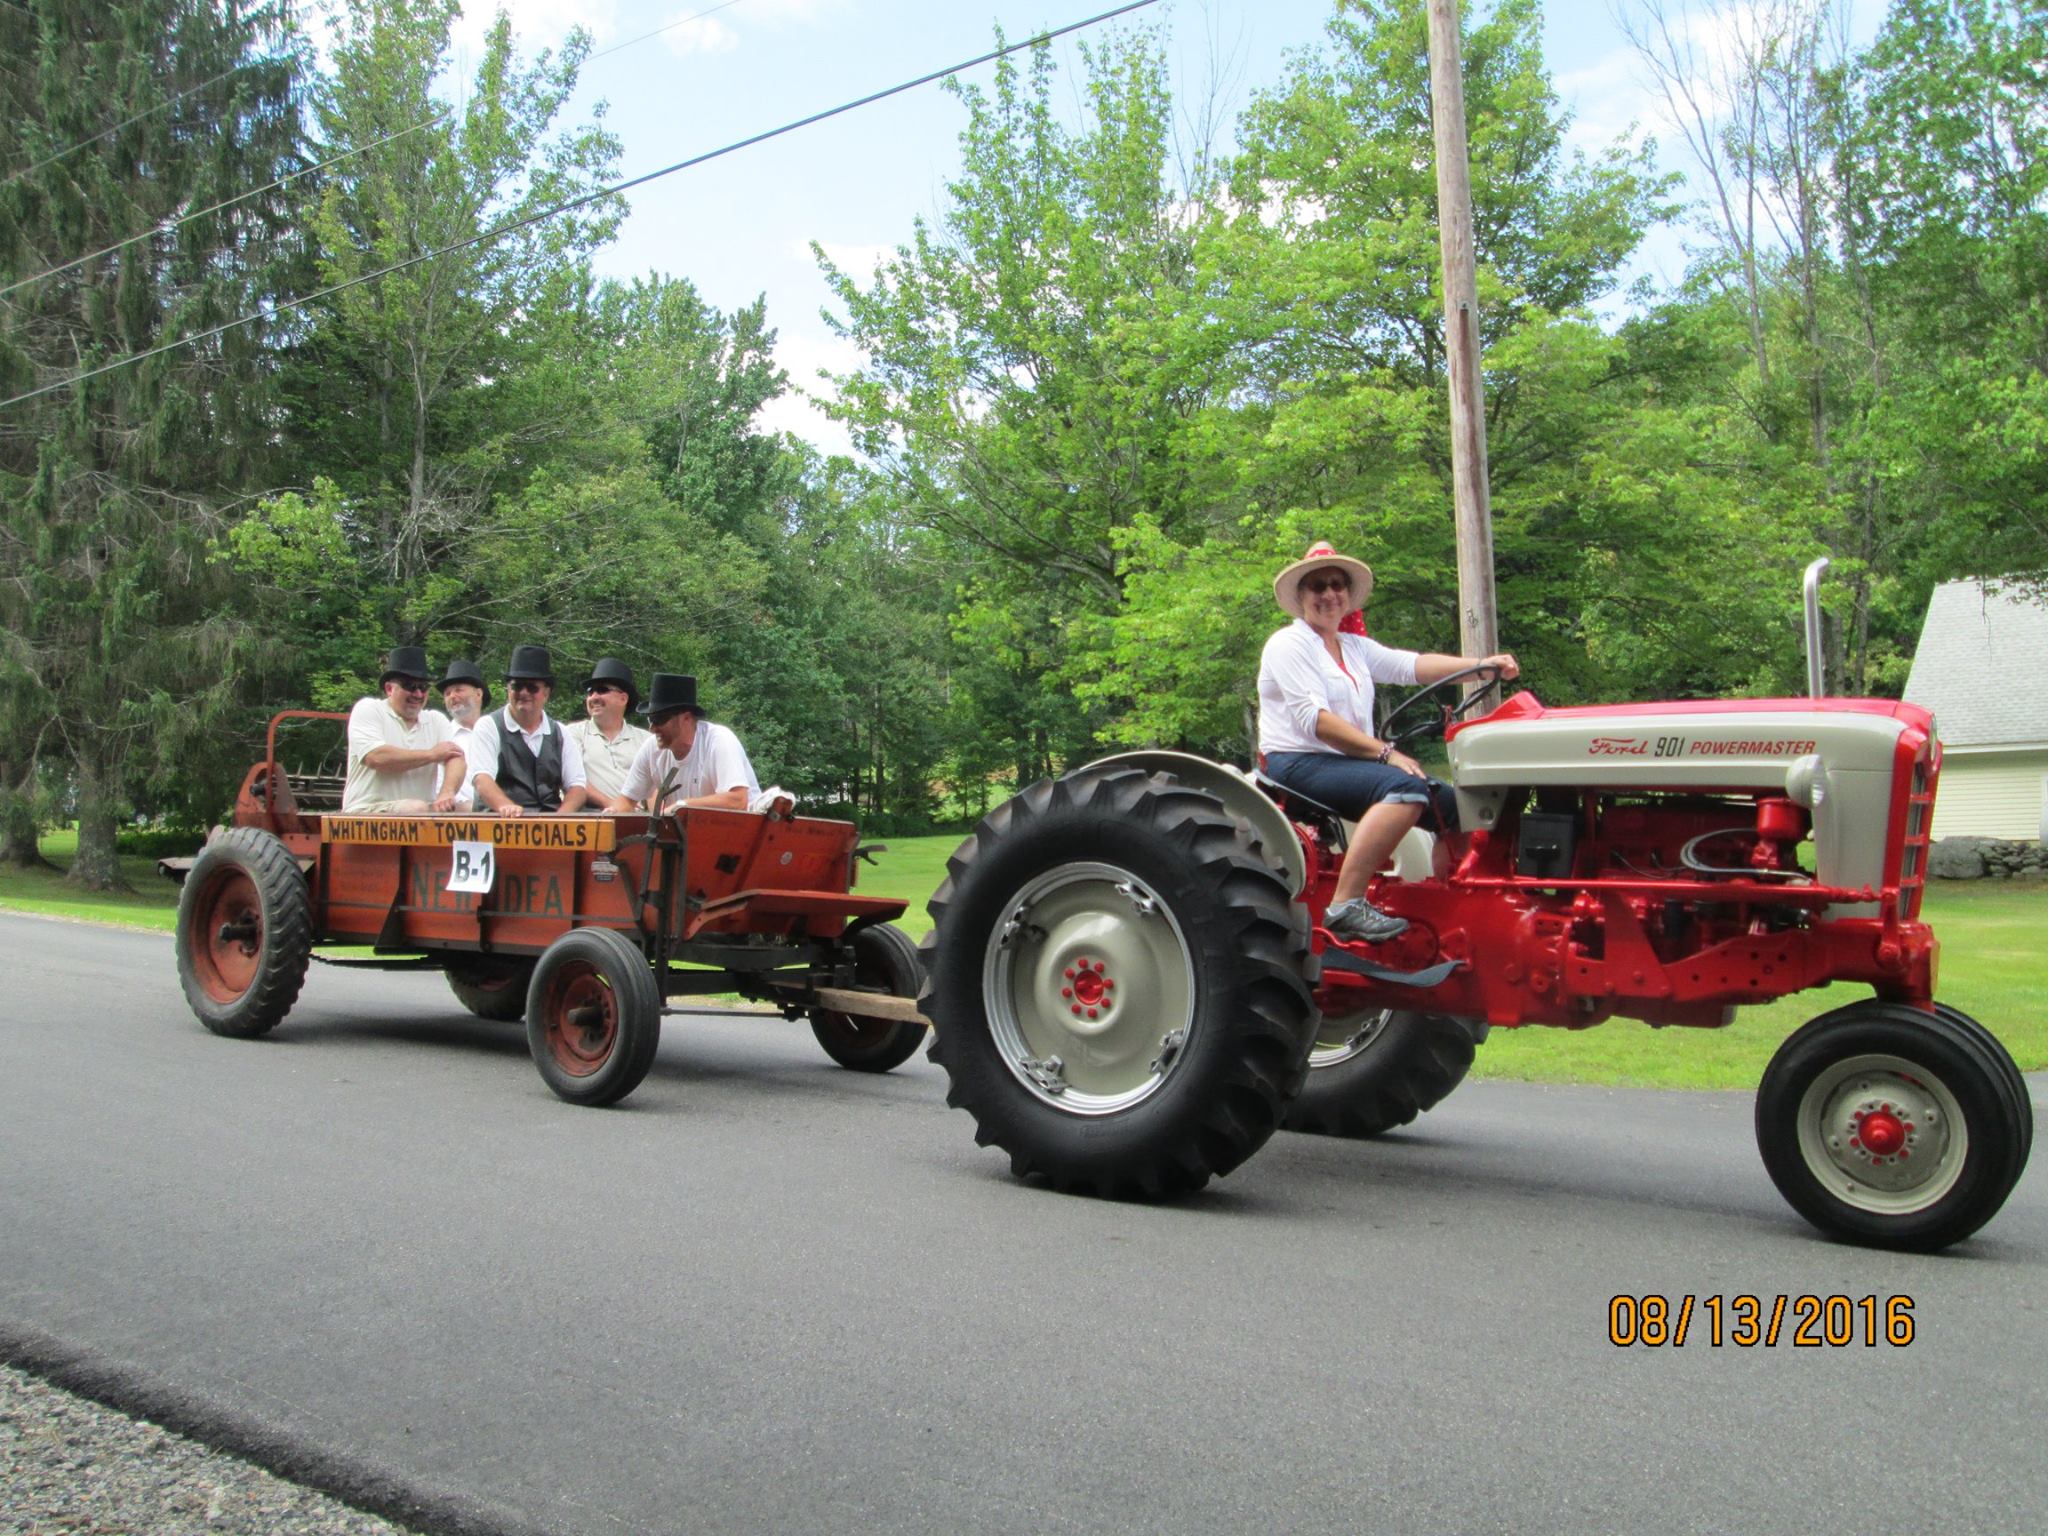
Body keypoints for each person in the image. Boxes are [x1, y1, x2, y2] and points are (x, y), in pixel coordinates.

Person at [1257, 540, 1518, 944]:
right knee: (1404, 788)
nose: (1329, 594)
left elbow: (1411, 665)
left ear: (1347, 595)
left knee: (1458, 806)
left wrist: (1481, 668)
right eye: (1318, 586)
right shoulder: (1288, 645)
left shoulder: (1353, 647)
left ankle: (1453, 900)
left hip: (1344, 764)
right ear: (1301, 596)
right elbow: (1318, 723)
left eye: (1337, 585)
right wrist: (1386, 753)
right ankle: (1346, 905)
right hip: (1295, 762)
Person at [606, 673, 760, 813]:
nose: (652, 728)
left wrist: (682, 806)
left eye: (659, 719)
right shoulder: (651, 748)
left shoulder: (719, 740)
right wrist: (611, 815)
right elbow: (627, 800)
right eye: (650, 720)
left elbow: (738, 800)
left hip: (743, 836)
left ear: (686, 718)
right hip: (696, 835)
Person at [467, 644, 592, 816]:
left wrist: (561, 818)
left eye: (532, 687)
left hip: (549, 824)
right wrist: (504, 806)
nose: (524, 692)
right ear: (508, 690)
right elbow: (482, 778)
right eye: (517, 686)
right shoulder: (488, 726)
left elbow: (577, 786)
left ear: (546, 693)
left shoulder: (560, 732)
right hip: (498, 824)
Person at [342, 645, 468, 814]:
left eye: (423, 687)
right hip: (366, 812)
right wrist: (432, 754)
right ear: (389, 689)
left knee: (470, 808)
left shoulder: (435, 720)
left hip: (420, 814)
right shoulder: (369, 709)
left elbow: (456, 759)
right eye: (410, 686)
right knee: (415, 808)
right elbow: (376, 757)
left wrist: (447, 792)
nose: (418, 694)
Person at [566, 657, 652, 804]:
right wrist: (616, 808)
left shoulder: (646, 739)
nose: (593, 697)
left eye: (602, 690)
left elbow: (655, 784)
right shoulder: (573, 733)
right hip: (591, 817)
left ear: (623, 699)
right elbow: (575, 779)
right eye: (590, 692)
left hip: (639, 819)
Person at [434, 658, 490, 811]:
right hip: (456, 818)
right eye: (447, 693)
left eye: (458, 690)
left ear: (478, 694)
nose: (452, 696)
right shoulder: (441, 736)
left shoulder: (496, 732)